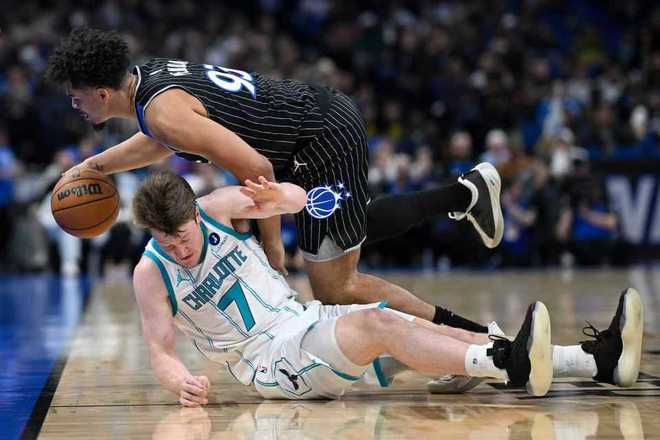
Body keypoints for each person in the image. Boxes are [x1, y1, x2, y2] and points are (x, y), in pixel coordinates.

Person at [46, 28, 503, 333]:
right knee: (349, 226)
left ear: (101, 93)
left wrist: (273, 250)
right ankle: (465, 193)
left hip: (317, 141)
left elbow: (258, 171)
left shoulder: (162, 112)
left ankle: (478, 339)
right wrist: (95, 167)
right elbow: (163, 140)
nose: (74, 106)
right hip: (314, 125)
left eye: (76, 98)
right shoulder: (151, 80)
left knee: (335, 286)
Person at [131, 171, 643, 405]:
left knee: (422, 330)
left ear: (195, 213)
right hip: (269, 362)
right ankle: (511, 364)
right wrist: (180, 383)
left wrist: (278, 194)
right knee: (379, 323)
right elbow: (160, 350)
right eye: (165, 240)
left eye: (183, 236)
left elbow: (298, 200)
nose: (178, 248)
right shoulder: (151, 273)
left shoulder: (219, 208)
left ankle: (596, 361)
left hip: (304, 321)